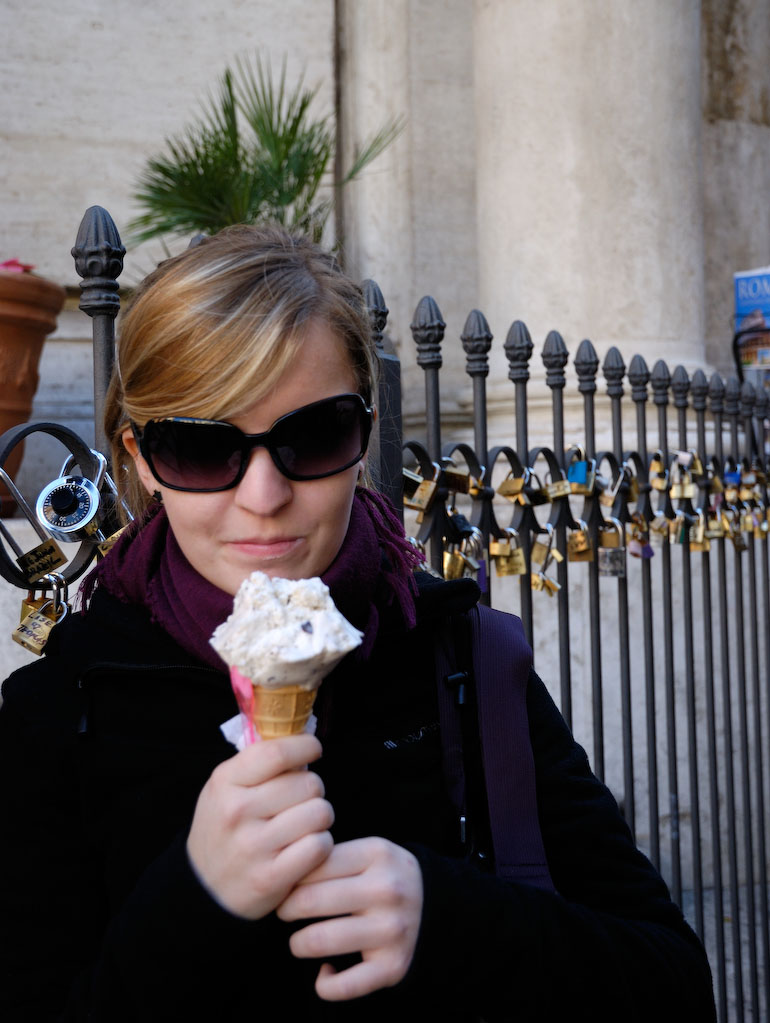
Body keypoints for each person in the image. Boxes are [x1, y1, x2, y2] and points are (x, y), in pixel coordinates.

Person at [0, 225, 716, 1022]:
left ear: (364, 436)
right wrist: (192, 898)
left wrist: (451, 919)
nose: (264, 495)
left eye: (312, 435)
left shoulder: (460, 658)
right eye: (200, 446)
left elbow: (674, 983)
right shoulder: (59, 712)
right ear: (139, 456)